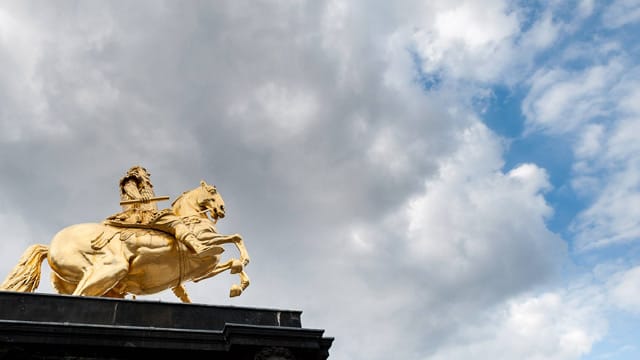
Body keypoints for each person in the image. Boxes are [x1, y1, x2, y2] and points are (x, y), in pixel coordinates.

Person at [106, 166, 207, 254]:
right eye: (144, 171)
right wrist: (138, 197)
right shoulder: (132, 179)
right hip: (141, 215)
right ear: (137, 171)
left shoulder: (145, 186)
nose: (148, 174)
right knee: (174, 222)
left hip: (148, 214)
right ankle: (197, 246)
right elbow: (129, 187)